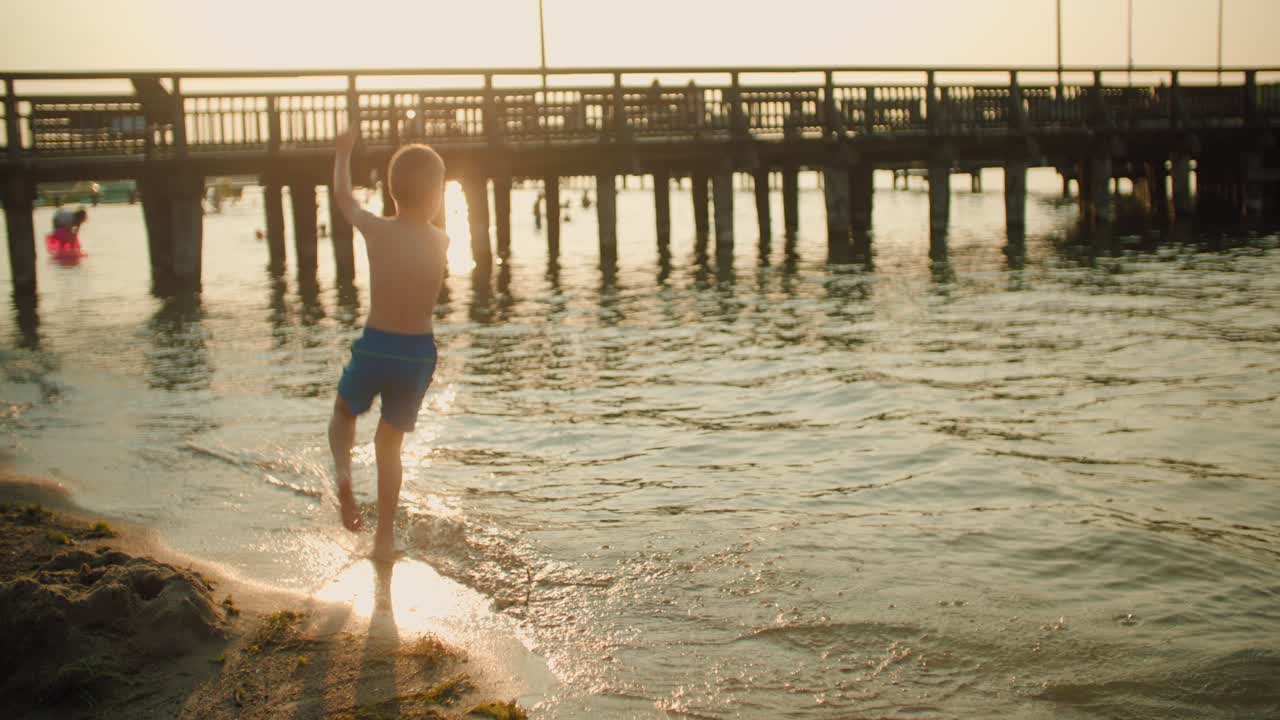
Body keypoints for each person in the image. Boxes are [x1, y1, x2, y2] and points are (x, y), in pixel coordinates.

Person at [328, 125, 449, 558]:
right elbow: (427, 214)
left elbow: (344, 201)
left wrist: (344, 154)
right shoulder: (441, 241)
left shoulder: (377, 230)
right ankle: (384, 539)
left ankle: (344, 477)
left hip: (377, 342)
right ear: (437, 195)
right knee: (389, 446)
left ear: (391, 191)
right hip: (417, 354)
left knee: (344, 413)